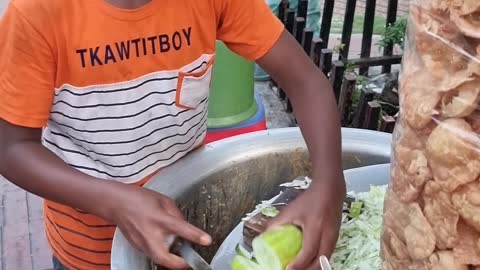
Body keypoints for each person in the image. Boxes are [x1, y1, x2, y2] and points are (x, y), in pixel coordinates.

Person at [0, 0, 345, 269]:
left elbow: (307, 83)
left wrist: (329, 183)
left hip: (182, 230)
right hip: (87, 249)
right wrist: (114, 201)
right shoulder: (38, 14)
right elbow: (12, 147)